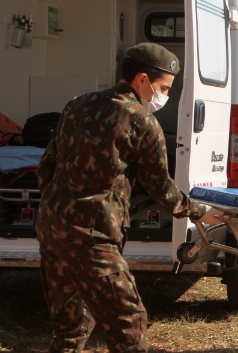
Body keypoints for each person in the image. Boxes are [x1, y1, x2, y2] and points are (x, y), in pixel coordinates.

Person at [36, 43, 222, 352]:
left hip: (51, 227)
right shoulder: (142, 121)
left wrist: (58, 207)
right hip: (92, 236)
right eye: (163, 87)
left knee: (71, 327)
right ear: (142, 80)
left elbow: (47, 167)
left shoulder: (77, 104)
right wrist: (199, 211)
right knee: (129, 324)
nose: (163, 96)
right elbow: (160, 187)